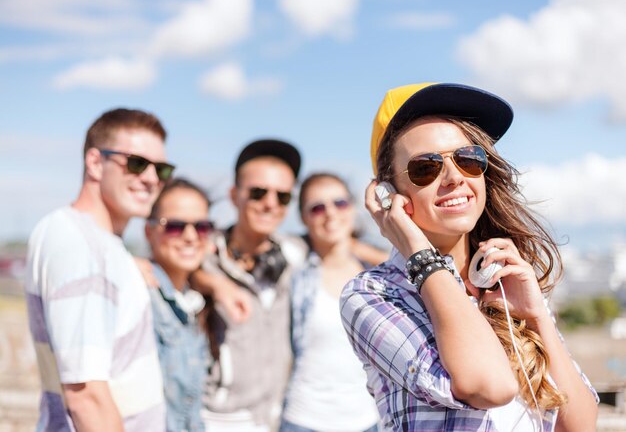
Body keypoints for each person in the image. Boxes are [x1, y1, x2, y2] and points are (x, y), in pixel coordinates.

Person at [340, 83, 599, 431]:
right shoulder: (372, 294)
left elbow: (580, 426)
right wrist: (419, 254)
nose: (454, 178)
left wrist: (536, 315)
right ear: (387, 193)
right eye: (425, 168)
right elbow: (490, 386)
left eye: (468, 159)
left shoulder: (505, 280)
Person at [25, 108, 173, 431]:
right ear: (94, 163)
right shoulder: (81, 246)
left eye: (161, 169)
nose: (150, 178)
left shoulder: (99, 246)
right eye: (136, 163)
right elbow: (85, 396)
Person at [197, 139, 308, 432]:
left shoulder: (296, 255)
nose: (270, 203)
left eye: (283, 197)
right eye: (258, 193)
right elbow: (160, 266)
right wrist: (215, 283)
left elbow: (344, 248)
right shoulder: (202, 251)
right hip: (219, 419)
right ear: (234, 195)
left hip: (277, 418)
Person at [280, 173, 380, 432]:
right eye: (317, 207)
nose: (331, 213)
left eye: (340, 203)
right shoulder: (293, 267)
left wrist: (358, 248)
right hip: (304, 419)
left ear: (352, 207)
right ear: (303, 218)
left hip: (367, 420)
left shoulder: (376, 274)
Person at [145, 178, 213, 432]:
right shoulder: (139, 295)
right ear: (148, 232)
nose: (190, 236)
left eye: (202, 227)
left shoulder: (194, 302)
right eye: (174, 226)